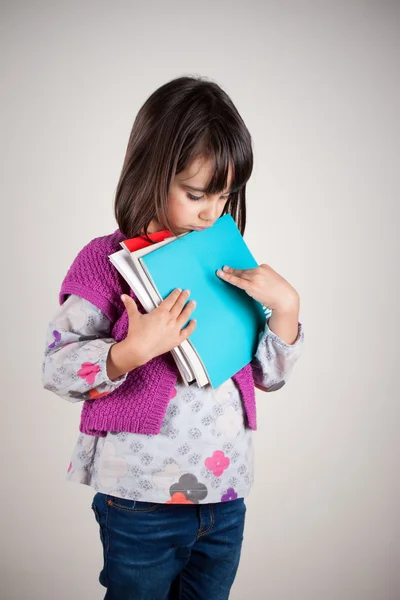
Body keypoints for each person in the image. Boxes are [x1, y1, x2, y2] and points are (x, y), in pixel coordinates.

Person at [42, 75, 304, 600]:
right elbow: (56, 369)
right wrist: (129, 352)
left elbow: (266, 376)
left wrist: (287, 309)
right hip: (139, 498)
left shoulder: (222, 257)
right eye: (195, 194)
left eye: (225, 196)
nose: (212, 212)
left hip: (226, 492)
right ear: (149, 174)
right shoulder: (104, 262)